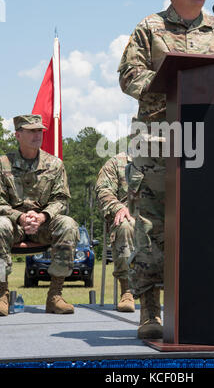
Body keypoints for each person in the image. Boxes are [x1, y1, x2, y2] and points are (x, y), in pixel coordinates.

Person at [118, 0, 214, 339]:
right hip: (157, 139)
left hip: (208, 142)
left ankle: (197, 308)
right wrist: (172, 82)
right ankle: (149, 311)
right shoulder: (149, 28)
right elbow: (129, 75)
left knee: (202, 225)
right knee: (152, 226)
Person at [0, 114, 80, 316]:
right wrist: (19, 217)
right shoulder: (3, 164)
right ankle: (2, 293)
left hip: (43, 225)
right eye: (31, 131)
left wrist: (43, 216)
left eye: (39, 131)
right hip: (13, 224)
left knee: (68, 224)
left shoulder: (54, 164)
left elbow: (61, 199)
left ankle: (55, 295)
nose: (38, 135)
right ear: (18, 134)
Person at [95, 152, 135, 312]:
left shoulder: (167, 162)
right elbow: (103, 191)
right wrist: (119, 207)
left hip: (161, 218)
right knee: (126, 225)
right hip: (127, 216)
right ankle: (127, 290)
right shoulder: (116, 163)